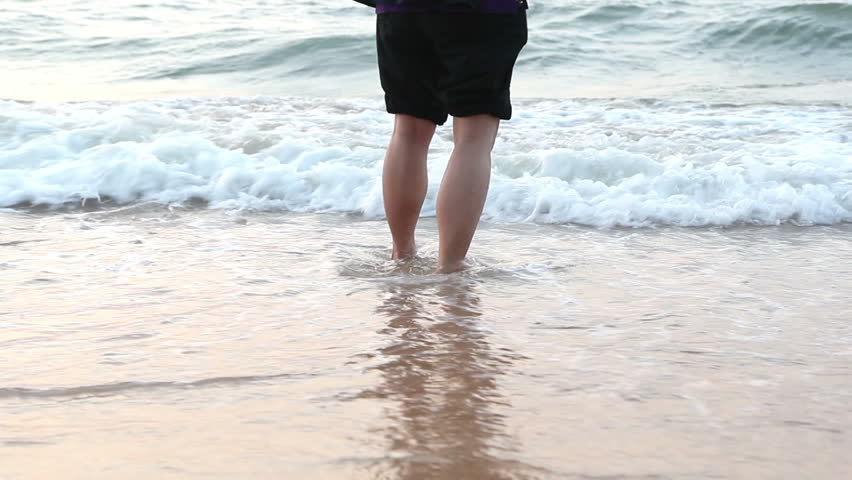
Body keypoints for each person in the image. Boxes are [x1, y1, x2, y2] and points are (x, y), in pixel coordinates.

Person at [356, 0, 528, 273]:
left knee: (408, 130)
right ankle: (450, 265)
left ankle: (402, 255)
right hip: (482, 13)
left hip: (402, 11)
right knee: (474, 137)